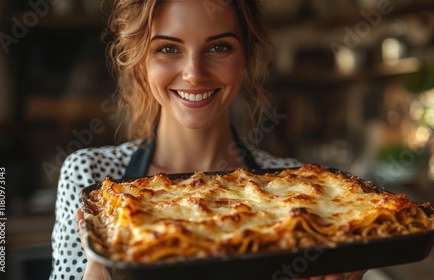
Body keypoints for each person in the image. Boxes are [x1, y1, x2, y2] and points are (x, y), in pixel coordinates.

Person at [49, 0, 366, 279]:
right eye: (168, 48)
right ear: (140, 62)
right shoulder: (90, 177)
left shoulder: (305, 192)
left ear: (246, 57)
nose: (194, 73)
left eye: (219, 47)